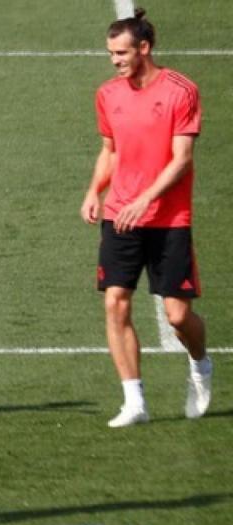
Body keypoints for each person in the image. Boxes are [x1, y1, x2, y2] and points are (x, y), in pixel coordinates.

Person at [80, 9, 212, 428]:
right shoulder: (108, 94)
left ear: (144, 48)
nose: (115, 60)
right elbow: (110, 150)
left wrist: (146, 198)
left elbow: (182, 160)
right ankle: (134, 400)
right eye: (110, 53)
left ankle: (201, 365)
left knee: (177, 317)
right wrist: (94, 190)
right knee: (115, 303)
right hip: (120, 215)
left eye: (121, 53)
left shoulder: (180, 91)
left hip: (169, 219)